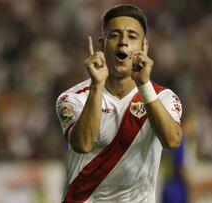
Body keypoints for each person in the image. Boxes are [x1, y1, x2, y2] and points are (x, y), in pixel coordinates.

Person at [56, 4, 182, 203]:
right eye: (114, 35)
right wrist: (97, 85)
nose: (123, 42)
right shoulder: (73, 98)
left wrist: (144, 86)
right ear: (101, 44)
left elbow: (172, 141)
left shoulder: (163, 97)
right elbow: (82, 144)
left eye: (132, 36)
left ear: (144, 47)